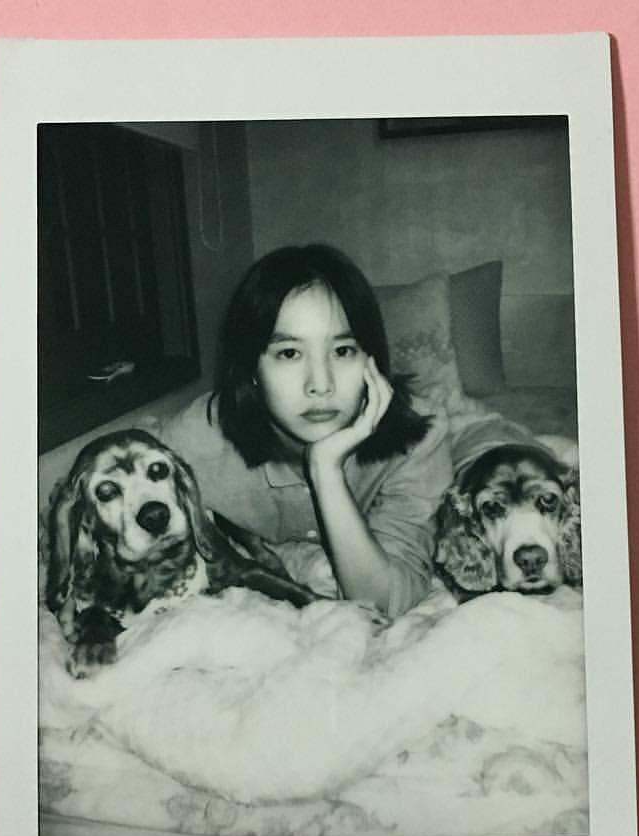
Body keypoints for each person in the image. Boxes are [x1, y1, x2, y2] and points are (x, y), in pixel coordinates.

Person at [160, 244, 453, 618]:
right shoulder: (190, 447)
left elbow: (384, 603)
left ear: (372, 359)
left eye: (343, 351)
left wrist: (326, 471)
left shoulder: (420, 437)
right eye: (289, 353)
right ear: (250, 368)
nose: (321, 385)